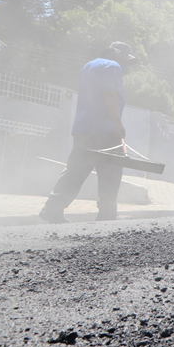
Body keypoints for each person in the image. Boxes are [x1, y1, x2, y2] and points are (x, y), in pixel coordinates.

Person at [39, 42, 136, 223]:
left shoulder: (89, 65)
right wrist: (118, 124)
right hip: (104, 131)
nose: (126, 65)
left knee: (75, 170)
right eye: (125, 60)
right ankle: (107, 214)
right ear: (117, 55)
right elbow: (109, 95)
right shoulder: (113, 66)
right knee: (111, 171)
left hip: (83, 129)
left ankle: (52, 209)